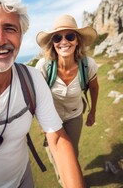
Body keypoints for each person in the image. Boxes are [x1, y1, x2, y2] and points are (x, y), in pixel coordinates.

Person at [0, 0, 85, 188]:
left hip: (23, 180)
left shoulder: (32, 79)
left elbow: (56, 138)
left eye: (10, 28)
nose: (0, 39)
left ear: (21, 36)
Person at [35, 14, 99, 184]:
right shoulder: (43, 66)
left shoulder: (88, 65)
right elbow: (38, 97)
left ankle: (71, 178)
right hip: (51, 118)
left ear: (77, 40)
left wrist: (92, 112)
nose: (64, 41)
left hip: (74, 115)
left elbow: (94, 87)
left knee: (72, 151)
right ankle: (64, 181)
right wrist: (43, 122)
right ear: (53, 43)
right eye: (58, 37)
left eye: (70, 36)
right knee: (55, 155)